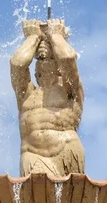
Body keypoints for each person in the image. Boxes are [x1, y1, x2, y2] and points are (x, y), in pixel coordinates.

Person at [10, 18, 84, 176]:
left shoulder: (71, 89)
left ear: (59, 68)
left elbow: (67, 58)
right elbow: (17, 63)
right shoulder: (26, 93)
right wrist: (33, 37)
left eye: (51, 58)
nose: (44, 60)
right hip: (32, 155)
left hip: (66, 150)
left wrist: (55, 35)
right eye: (40, 59)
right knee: (34, 198)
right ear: (35, 72)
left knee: (68, 200)